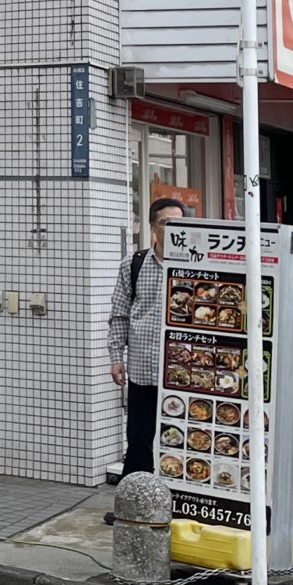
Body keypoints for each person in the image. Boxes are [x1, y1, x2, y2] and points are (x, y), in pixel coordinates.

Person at [106, 199, 175, 477]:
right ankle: (135, 496)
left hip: (181, 371)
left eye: (179, 223)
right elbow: (119, 314)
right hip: (143, 368)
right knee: (138, 438)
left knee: (179, 438)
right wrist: (116, 358)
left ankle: (177, 496)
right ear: (153, 227)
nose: (173, 229)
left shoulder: (195, 265)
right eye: (166, 223)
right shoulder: (133, 264)